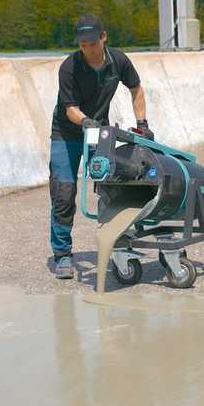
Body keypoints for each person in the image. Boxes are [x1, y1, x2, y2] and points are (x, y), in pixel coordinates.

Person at [48, 14, 152, 280]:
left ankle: (117, 241)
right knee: (63, 192)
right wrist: (85, 122)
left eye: (92, 43)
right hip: (68, 132)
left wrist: (142, 123)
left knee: (113, 182)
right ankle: (62, 255)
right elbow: (69, 108)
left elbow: (136, 89)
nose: (88, 49)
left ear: (103, 37)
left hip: (99, 130)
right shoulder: (69, 67)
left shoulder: (118, 61)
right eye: (82, 44)